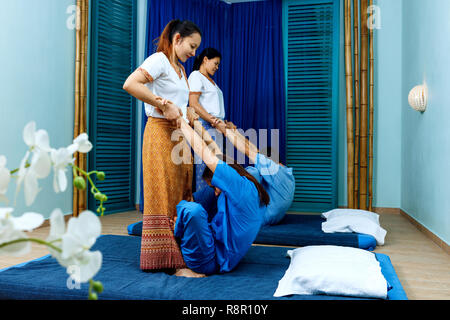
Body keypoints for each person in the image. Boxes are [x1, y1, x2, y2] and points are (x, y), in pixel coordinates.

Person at [122, 19, 204, 277]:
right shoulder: (158, 60)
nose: (194, 53)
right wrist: (162, 103)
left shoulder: (179, 70)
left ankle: (184, 254)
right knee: (165, 195)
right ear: (177, 38)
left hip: (180, 136)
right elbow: (131, 84)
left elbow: (181, 103)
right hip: (160, 134)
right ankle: (173, 264)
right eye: (191, 46)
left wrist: (190, 113)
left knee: (182, 193)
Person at [173, 117, 270, 275]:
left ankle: (177, 233)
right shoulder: (249, 183)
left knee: (191, 209)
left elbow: (205, 154)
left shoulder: (239, 187)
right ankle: (181, 228)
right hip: (215, 250)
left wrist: (181, 122)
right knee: (198, 207)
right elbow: (216, 153)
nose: (215, 191)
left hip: (207, 261)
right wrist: (196, 123)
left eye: (214, 186)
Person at [214, 120, 296, 226]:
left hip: (261, 217)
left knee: (252, 172)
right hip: (272, 214)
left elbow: (248, 151)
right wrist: (234, 131)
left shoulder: (276, 172)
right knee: (255, 172)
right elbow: (254, 151)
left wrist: (225, 131)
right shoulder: (284, 173)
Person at [188, 48, 229, 192]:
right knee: (204, 168)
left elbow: (214, 108)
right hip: (206, 126)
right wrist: (214, 121)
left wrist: (224, 123)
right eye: (215, 63)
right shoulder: (196, 76)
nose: (217, 68)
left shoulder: (211, 82)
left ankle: (212, 207)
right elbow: (193, 103)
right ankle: (204, 207)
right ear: (205, 59)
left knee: (215, 169)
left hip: (216, 126)